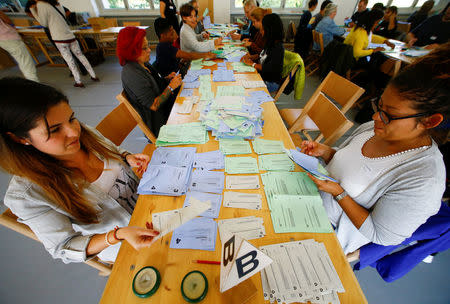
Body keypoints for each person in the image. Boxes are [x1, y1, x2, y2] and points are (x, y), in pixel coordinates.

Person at [301, 43, 449, 254]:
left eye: (389, 114)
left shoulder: (423, 179)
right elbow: (353, 166)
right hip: (306, 198)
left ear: (430, 121)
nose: (375, 117)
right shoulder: (374, 128)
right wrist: (327, 152)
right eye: (379, 106)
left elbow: (381, 235)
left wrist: (338, 193)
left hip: (326, 231)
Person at [0, 77, 160, 263]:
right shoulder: (27, 195)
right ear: (20, 139)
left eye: (71, 118)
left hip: (151, 206)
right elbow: (64, 246)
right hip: (131, 244)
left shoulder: (83, 134)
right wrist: (117, 236)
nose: (74, 132)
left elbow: (113, 150)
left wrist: (126, 157)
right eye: (55, 130)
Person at [117, 27, 182, 136]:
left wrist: (167, 79)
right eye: (144, 48)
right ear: (131, 50)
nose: (149, 50)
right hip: (160, 123)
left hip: (167, 109)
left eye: (147, 46)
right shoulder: (132, 74)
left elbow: (154, 83)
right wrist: (170, 87)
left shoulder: (142, 63)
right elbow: (153, 105)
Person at [29, 0, 98, 87]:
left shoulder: (41, 5)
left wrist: (33, 11)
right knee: (81, 56)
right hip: (70, 36)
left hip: (59, 38)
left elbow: (44, 23)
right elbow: (63, 16)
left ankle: (78, 81)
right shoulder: (56, 4)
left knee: (70, 61)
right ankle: (93, 75)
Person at [241, 13, 285, 93]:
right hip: (262, 76)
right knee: (242, 78)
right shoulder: (270, 42)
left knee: (243, 88)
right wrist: (251, 57)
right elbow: (262, 55)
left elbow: (269, 69)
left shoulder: (278, 47)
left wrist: (252, 64)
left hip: (270, 82)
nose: (261, 31)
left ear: (270, 30)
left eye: (263, 29)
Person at [0, 11, 39, 82]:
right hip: (9, 38)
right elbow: (8, 21)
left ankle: (33, 84)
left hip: (3, 40)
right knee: (26, 64)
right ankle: (34, 85)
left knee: (23, 62)